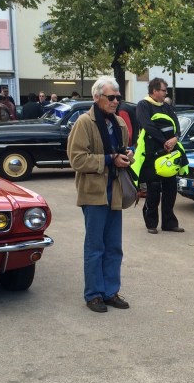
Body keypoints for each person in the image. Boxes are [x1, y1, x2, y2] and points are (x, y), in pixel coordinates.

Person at [66, 75, 133, 314]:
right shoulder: (84, 122)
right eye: (111, 97)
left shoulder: (119, 123)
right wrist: (110, 159)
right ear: (97, 97)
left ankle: (110, 292)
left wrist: (127, 155)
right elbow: (77, 160)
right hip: (94, 192)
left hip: (115, 190)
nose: (115, 101)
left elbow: (121, 150)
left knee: (114, 246)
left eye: (117, 97)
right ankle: (94, 294)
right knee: (95, 247)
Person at [133, 77, 186, 234]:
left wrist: (175, 138)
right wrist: (164, 141)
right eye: (163, 90)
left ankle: (169, 223)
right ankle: (151, 223)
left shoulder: (166, 106)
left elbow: (176, 123)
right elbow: (148, 125)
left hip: (169, 153)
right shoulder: (143, 105)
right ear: (154, 91)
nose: (165, 93)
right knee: (154, 189)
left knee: (170, 189)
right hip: (152, 154)